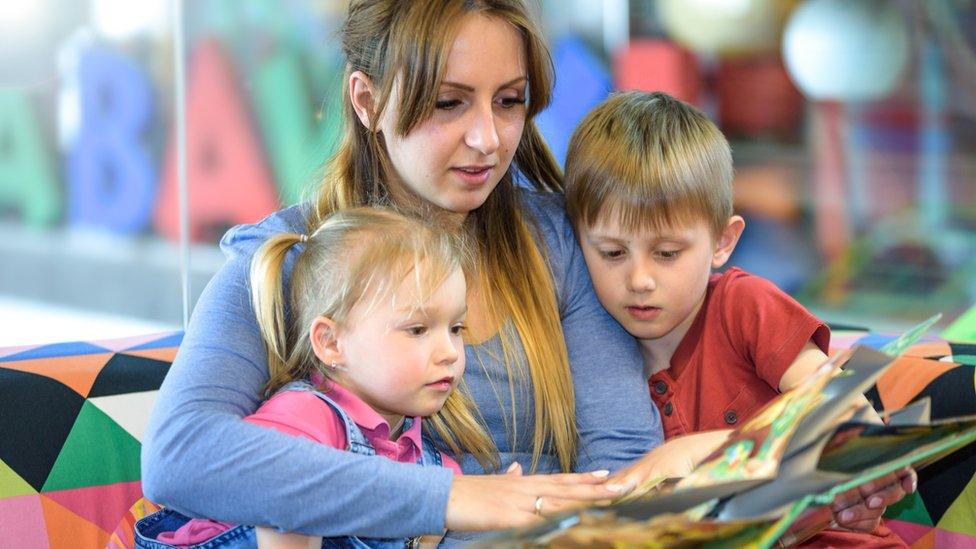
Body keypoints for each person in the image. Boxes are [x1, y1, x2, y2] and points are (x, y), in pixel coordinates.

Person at [141, 0, 660, 540]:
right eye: (447, 103)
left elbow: (622, 461)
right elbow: (179, 455)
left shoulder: (556, 241)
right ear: (367, 101)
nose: (488, 139)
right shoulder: (288, 255)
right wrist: (451, 500)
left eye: (509, 101)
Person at [563, 91, 914, 546]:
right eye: (611, 252)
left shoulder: (743, 305)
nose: (639, 279)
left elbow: (846, 411)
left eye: (667, 253)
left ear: (723, 243)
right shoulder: (595, 350)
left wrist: (698, 450)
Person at [137, 208, 470, 548]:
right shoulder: (303, 424)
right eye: (417, 329)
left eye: (456, 328)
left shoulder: (432, 465)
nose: (450, 352)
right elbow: (281, 515)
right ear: (331, 342)